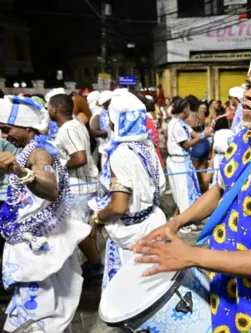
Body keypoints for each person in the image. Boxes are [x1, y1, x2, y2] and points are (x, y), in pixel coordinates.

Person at [132, 42, 251, 333]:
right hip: (223, 286)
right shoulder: (240, 140)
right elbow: (219, 191)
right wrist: (177, 222)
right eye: (249, 85)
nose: (248, 95)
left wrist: (191, 255)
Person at [0, 96, 90, 332]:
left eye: (6, 129)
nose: (4, 136)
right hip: (38, 244)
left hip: (42, 250)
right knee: (49, 315)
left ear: (26, 126)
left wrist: (19, 172)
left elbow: (50, 189)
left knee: (41, 317)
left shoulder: (39, 152)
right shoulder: (32, 148)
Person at [89, 91, 167, 290]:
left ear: (115, 121)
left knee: (130, 287)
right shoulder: (147, 146)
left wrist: (98, 217)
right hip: (151, 222)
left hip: (130, 235)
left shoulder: (121, 154)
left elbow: (118, 207)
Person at [48, 94, 102, 280]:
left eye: (48, 107)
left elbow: (79, 158)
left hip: (78, 187)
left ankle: (95, 264)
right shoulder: (74, 125)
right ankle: (94, 263)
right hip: (83, 185)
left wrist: (58, 167)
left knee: (76, 229)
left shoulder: (68, 129)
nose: (47, 111)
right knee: (85, 229)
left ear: (55, 108)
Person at [166, 97, 212, 233]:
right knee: (183, 192)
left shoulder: (181, 122)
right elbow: (186, 143)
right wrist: (203, 136)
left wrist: (205, 133)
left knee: (190, 190)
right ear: (185, 109)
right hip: (178, 162)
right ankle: (184, 223)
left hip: (185, 160)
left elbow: (194, 134)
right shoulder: (176, 125)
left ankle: (187, 218)